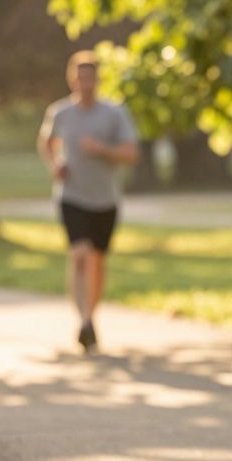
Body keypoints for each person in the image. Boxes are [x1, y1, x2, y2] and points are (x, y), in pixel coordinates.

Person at [37, 50, 140, 352]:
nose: (85, 84)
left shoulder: (114, 113)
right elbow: (46, 142)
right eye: (80, 78)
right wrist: (55, 164)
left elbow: (131, 153)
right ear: (72, 80)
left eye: (90, 78)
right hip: (72, 195)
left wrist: (102, 150)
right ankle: (83, 319)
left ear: (98, 80)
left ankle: (91, 317)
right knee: (79, 254)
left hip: (105, 198)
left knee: (97, 260)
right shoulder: (60, 113)